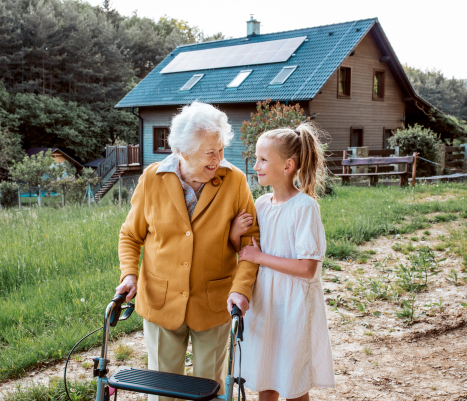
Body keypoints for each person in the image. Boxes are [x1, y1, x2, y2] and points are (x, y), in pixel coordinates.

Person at [115, 101, 260, 401]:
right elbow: (130, 235)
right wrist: (129, 274)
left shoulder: (234, 181)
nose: (218, 158)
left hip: (215, 301)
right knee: (162, 391)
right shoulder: (152, 180)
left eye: (220, 149)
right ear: (184, 150)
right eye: (210, 152)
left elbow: (250, 246)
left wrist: (242, 290)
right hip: (160, 299)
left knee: (212, 389)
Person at [233, 123, 335, 401]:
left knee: (292, 380)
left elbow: (307, 268)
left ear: (288, 165)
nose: (256, 165)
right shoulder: (262, 204)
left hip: (293, 305)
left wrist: (260, 257)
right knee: (267, 375)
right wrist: (234, 235)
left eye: (263, 159)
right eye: (256, 158)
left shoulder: (305, 207)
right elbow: (245, 253)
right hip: (266, 301)